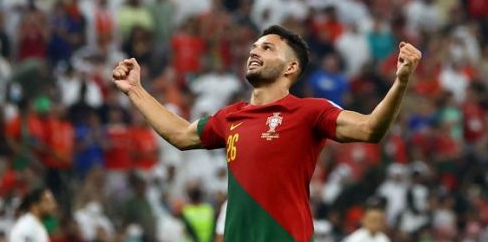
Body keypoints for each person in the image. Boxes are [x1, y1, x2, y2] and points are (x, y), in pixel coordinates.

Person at [111, 25, 422, 242]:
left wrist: (402, 81)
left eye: (267, 47)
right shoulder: (231, 116)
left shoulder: (309, 111)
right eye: (254, 47)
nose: (254, 52)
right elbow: (180, 134)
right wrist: (135, 90)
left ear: (290, 68)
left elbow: (370, 129)